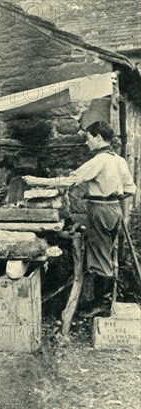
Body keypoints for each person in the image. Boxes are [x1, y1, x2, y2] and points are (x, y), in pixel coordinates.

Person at [23, 121, 136, 316]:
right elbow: (130, 190)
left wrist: (37, 181)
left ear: (99, 137)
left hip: (100, 210)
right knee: (107, 253)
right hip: (114, 209)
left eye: (89, 138)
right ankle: (103, 301)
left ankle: (103, 304)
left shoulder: (99, 160)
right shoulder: (119, 160)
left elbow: (70, 180)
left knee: (100, 256)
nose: (86, 143)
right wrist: (110, 196)